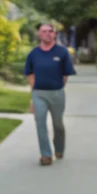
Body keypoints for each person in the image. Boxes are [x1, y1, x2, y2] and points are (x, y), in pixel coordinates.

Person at [24, 22, 76, 165]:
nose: (47, 34)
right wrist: (33, 94)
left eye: (50, 31)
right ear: (39, 34)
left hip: (57, 93)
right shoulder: (33, 54)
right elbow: (30, 74)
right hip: (39, 94)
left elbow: (65, 75)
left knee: (58, 124)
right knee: (40, 123)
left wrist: (57, 87)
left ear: (54, 34)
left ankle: (59, 148)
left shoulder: (62, 52)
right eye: (44, 31)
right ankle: (46, 155)